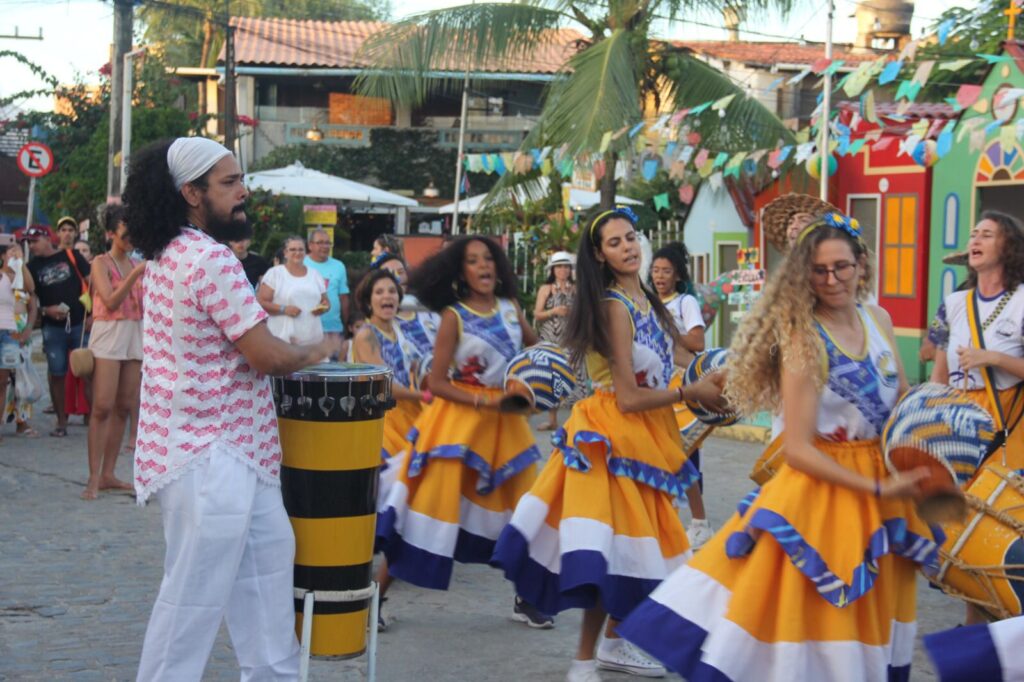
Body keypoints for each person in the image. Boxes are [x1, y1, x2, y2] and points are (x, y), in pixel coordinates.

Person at [618, 211, 938, 681]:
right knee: (822, 637)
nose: (833, 279)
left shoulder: (879, 321)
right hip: (825, 500)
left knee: (875, 628)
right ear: (803, 276)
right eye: (820, 270)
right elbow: (798, 449)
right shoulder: (804, 337)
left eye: (842, 267)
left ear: (860, 265)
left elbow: (901, 406)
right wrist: (873, 490)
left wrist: (935, 435)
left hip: (883, 501)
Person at [123, 136, 341, 680]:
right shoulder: (210, 258)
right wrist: (319, 349)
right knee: (192, 600)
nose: (243, 192)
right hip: (209, 456)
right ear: (191, 193)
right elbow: (265, 354)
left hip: (236, 453)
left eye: (240, 179)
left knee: (268, 576)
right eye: (229, 183)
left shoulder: (169, 253)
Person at [492, 207, 726, 682]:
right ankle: (582, 659)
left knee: (637, 549)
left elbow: (683, 355)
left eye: (631, 237)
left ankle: (616, 645)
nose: (628, 247)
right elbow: (629, 395)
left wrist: (735, 372)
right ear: (599, 254)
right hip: (612, 434)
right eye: (615, 242)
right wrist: (690, 392)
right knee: (611, 549)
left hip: (649, 434)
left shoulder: (648, 302)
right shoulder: (614, 306)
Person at [376, 236, 551, 628]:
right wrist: (485, 401)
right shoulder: (453, 316)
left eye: (489, 258)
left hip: (507, 430)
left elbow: (538, 356)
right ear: (462, 272)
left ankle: (525, 597)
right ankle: (376, 596)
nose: (484, 266)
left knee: (523, 510)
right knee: (426, 512)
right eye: (473, 261)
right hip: (456, 427)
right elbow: (436, 383)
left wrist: (539, 381)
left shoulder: (511, 310)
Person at [928, 210, 1024, 625]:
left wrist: (994, 358)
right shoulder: (952, 303)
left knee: (1002, 537)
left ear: (1007, 246)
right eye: (973, 234)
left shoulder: (1022, 301)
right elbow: (936, 371)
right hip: (961, 431)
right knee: (967, 545)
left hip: (1009, 429)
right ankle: (978, 640)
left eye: (987, 234)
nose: (975, 239)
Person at [351, 269, 430, 631]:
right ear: (368, 300)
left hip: (413, 427)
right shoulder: (366, 334)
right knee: (382, 523)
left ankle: (373, 597)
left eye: (393, 291)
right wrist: (428, 394)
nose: (388, 297)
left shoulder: (403, 329)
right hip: (379, 431)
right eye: (380, 291)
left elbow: (418, 371)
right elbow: (383, 384)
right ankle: (360, 597)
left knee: (402, 520)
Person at [649, 242, 716, 550]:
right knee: (658, 456)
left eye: (666, 271)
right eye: (655, 270)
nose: (659, 276)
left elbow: (698, 341)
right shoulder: (646, 301)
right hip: (656, 387)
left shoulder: (684, 302)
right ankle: (665, 521)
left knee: (686, 455)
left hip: (684, 389)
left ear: (676, 276)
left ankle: (700, 524)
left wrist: (666, 331)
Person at [81, 204, 146, 500]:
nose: (130, 238)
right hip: (109, 332)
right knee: (102, 406)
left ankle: (109, 473)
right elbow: (109, 301)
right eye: (125, 233)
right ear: (111, 234)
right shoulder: (100, 263)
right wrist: (137, 276)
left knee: (124, 406)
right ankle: (94, 476)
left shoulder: (135, 264)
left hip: (135, 332)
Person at [24, 224, 91, 438]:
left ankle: (92, 415)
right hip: (53, 328)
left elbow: (93, 284)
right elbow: (29, 301)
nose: (31, 246)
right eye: (28, 242)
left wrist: (93, 314)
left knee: (89, 370)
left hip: (80, 323)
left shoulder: (71, 256)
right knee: (57, 373)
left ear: (47, 239)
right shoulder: (31, 267)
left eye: (34, 241)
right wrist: (46, 310)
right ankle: (62, 420)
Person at [533, 251, 580, 431]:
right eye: (559, 266)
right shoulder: (546, 289)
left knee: (576, 376)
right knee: (553, 376)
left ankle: (576, 421)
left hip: (571, 336)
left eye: (566, 266)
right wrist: (554, 311)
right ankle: (552, 420)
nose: (563, 270)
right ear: (553, 269)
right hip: (551, 337)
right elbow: (537, 314)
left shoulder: (575, 289)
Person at [258, 236, 329, 346]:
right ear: (285, 253)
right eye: (293, 249)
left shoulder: (315, 274)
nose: (297, 252)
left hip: (313, 339)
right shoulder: (275, 273)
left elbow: (326, 302)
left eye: (301, 249)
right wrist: (284, 309)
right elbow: (261, 302)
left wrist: (323, 308)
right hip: (282, 340)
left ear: (306, 253)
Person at [0, 243, 35, 441]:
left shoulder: (14, 277)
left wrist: (20, 264)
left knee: (3, 383)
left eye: (16, 250)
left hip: (10, 334)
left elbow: (30, 289)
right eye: (9, 251)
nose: (13, 253)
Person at [377, 253, 440, 362]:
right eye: (390, 274)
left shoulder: (424, 307)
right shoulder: (378, 322)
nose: (398, 278)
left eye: (401, 272)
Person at [304, 228, 349, 354]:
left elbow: (344, 297)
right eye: (320, 243)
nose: (325, 246)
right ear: (310, 245)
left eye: (327, 243)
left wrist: (346, 324)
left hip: (333, 329)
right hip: (307, 329)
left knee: (334, 371)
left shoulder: (339, 266)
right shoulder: (301, 264)